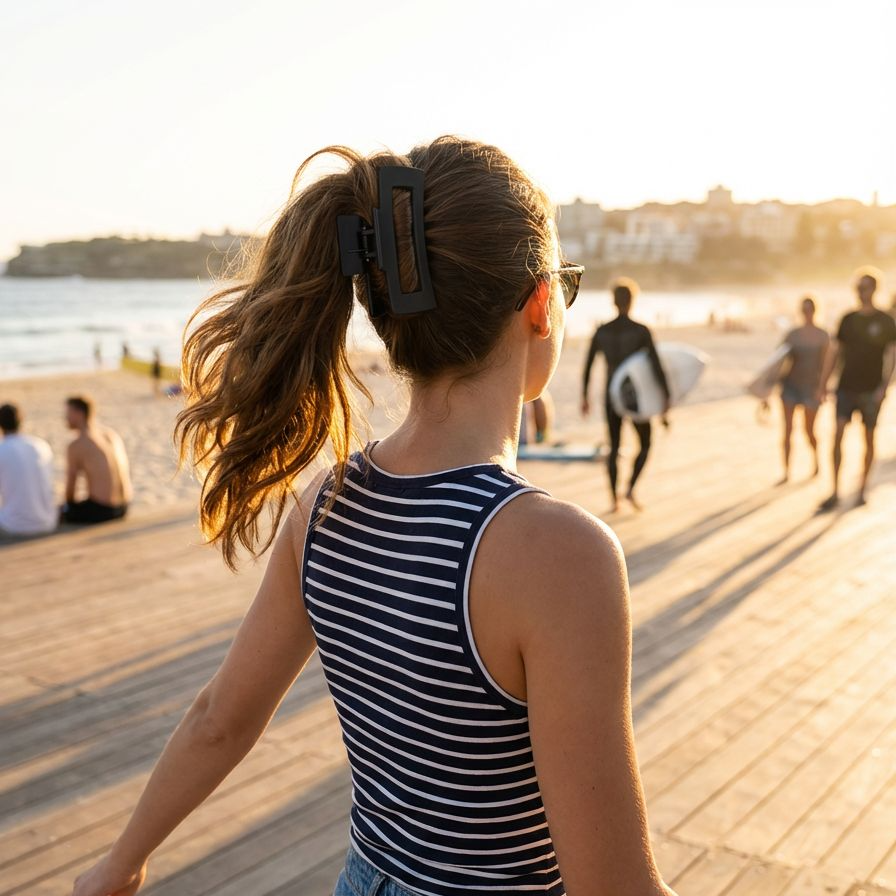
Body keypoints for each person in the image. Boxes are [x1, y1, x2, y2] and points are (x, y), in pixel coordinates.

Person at [70, 138, 677, 896]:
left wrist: (120, 861)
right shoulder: (558, 553)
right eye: (567, 284)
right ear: (540, 303)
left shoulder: (327, 503)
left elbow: (219, 718)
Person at [581, 278, 670, 512]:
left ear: (613, 301)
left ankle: (614, 500)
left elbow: (588, 366)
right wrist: (665, 396)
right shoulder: (641, 331)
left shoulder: (602, 331)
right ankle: (629, 489)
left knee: (614, 446)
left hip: (611, 394)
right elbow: (655, 366)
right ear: (632, 301)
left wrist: (585, 397)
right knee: (646, 443)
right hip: (635, 395)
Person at [817, 269, 896, 510]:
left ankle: (862, 489)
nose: (861, 292)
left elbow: (892, 355)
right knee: (837, 435)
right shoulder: (848, 319)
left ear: (874, 289)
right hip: (845, 387)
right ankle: (835, 490)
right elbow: (834, 352)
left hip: (871, 390)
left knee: (868, 438)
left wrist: (884, 386)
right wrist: (823, 384)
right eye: (858, 288)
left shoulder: (886, 321)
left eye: (865, 288)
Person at [776, 295, 830, 482]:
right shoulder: (792, 335)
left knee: (809, 430)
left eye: (810, 309)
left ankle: (816, 462)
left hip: (811, 388)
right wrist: (766, 389)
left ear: (815, 311)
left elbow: (827, 365)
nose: (807, 313)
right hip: (790, 386)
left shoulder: (823, 335)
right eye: (804, 310)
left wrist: (822, 388)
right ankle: (786, 472)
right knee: (787, 430)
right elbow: (778, 362)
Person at [60, 396, 132, 524]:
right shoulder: (110, 435)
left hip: (102, 510)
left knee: (60, 511)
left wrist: (69, 507)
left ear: (79, 413)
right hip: (123, 507)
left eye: (68, 413)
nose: (65, 418)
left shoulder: (77, 445)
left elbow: (71, 485)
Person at [0, 403, 56, 537]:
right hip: (48, 521)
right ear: (21, 421)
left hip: (14, 525)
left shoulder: (3, 449)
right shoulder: (41, 445)